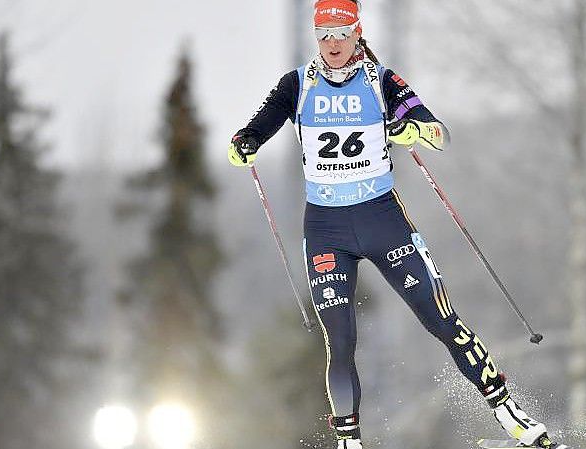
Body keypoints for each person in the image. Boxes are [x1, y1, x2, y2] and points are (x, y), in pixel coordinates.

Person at [228, 1, 566, 448]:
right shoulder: (297, 84)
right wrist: (245, 142)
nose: (331, 43)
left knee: (441, 319)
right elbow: (260, 124)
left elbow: (439, 132)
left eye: (341, 32)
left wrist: (415, 131)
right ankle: (350, 443)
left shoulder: (381, 80)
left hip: (382, 219)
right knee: (340, 341)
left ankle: (512, 416)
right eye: (323, 34)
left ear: (356, 33)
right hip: (327, 228)